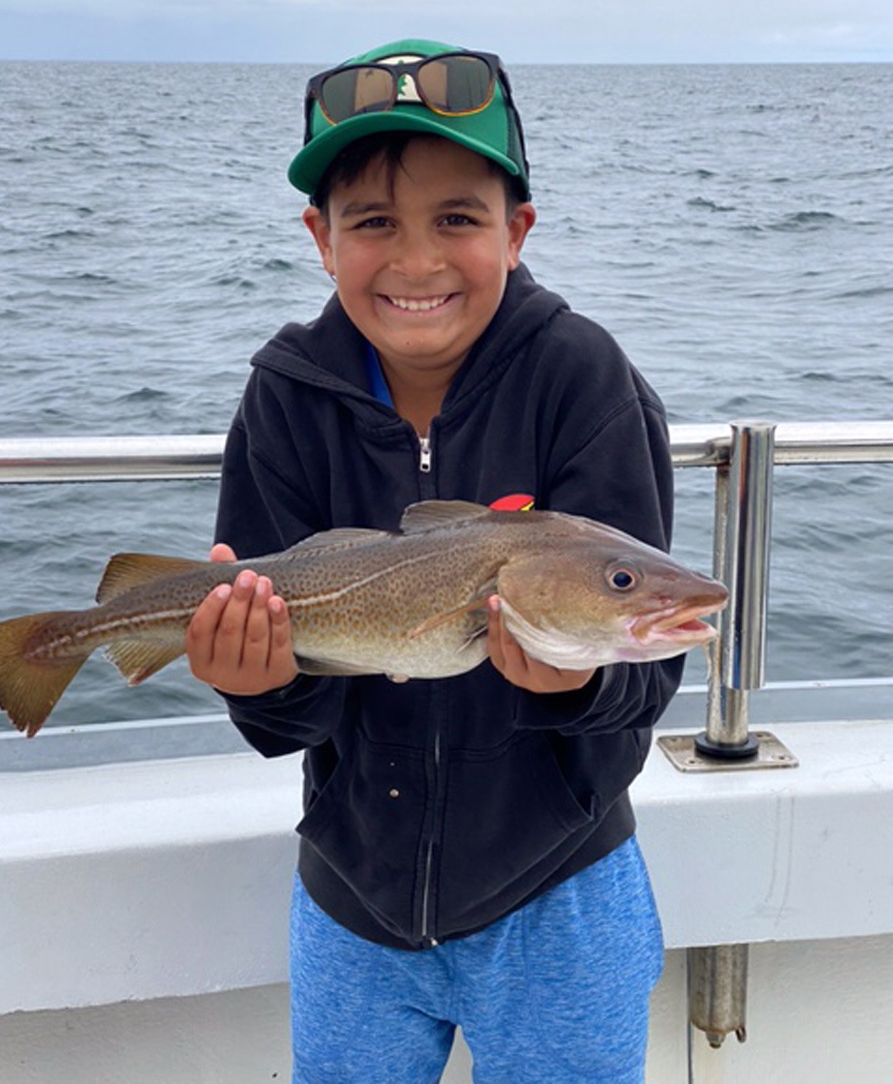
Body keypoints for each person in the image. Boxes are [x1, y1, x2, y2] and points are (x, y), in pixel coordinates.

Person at [186, 38, 682, 1084]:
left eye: (459, 218)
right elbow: (290, 716)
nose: (417, 261)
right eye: (373, 223)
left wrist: (581, 680)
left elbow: (646, 672)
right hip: (351, 897)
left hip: (561, 893)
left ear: (518, 230)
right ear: (321, 239)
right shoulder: (284, 400)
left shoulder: (584, 383)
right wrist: (258, 684)